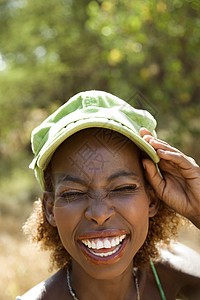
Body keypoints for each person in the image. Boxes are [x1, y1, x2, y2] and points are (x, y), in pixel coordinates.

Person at [17, 90, 200, 300]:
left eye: (122, 188)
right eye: (74, 193)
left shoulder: (177, 277)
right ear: (50, 209)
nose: (100, 213)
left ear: (152, 199)